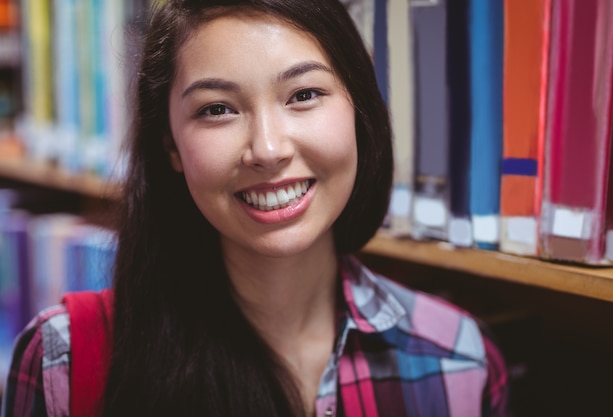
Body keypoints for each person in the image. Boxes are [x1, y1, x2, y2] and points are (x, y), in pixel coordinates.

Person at [1, 0, 508, 416]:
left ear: (359, 110)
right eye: (217, 109)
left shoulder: (458, 362)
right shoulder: (61, 363)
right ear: (171, 147)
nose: (267, 149)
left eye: (304, 94)